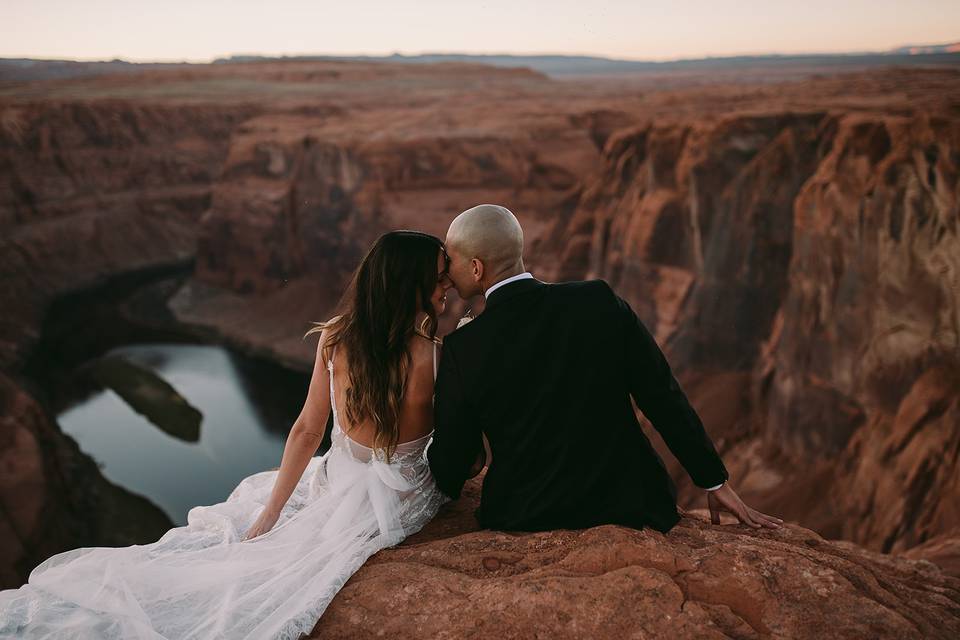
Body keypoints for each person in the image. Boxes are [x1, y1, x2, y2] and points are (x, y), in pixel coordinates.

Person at [0, 230, 455, 639]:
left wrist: (270, 516)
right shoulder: (433, 355)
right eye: (438, 277)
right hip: (399, 499)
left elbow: (306, 431)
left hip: (339, 482)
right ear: (408, 282)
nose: (447, 285)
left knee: (247, 547)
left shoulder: (335, 337)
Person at [426, 204, 783, 534]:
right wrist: (712, 481)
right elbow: (661, 395)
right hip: (631, 503)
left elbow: (452, 467)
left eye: (451, 262)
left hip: (525, 513)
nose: (447, 276)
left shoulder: (464, 346)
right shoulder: (599, 300)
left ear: (476, 267)